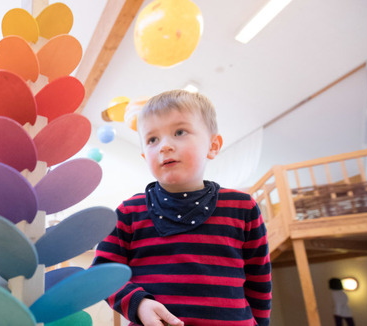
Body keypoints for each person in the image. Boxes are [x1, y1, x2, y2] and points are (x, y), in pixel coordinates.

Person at [92, 90, 272, 326]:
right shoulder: (128, 212)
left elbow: (259, 281)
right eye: (152, 139)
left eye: (179, 132)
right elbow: (102, 273)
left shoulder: (242, 207)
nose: (164, 146)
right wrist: (138, 303)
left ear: (213, 145)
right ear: (144, 155)